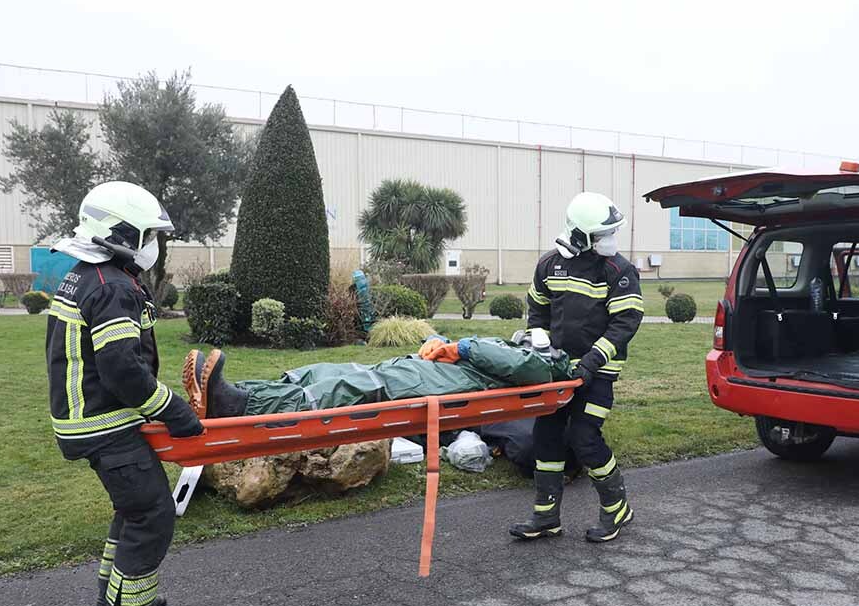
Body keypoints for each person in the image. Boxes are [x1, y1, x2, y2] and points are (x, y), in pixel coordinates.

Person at [46, 181, 203, 606]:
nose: (152, 245)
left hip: (89, 421)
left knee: (132, 511)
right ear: (119, 233)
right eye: (146, 235)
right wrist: (174, 410)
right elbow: (123, 372)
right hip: (105, 424)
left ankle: (114, 599)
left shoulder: (88, 275)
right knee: (153, 514)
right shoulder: (112, 287)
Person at [510, 192, 643, 543]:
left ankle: (616, 509)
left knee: (585, 438)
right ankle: (545, 518)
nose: (611, 241)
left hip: (598, 374)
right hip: (556, 375)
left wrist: (590, 363)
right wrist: (538, 338)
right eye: (603, 235)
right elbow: (537, 310)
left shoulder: (619, 271)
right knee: (546, 438)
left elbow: (626, 322)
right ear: (580, 235)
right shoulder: (548, 265)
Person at [182, 333, 572, 419]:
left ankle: (235, 406)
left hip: (423, 385)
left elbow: (523, 368)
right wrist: (441, 342)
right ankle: (235, 393)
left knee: (340, 387)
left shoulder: (546, 364)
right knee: (324, 370)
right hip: (421, 372)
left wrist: (464, 347)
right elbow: (490, 354)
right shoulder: (523, 350)